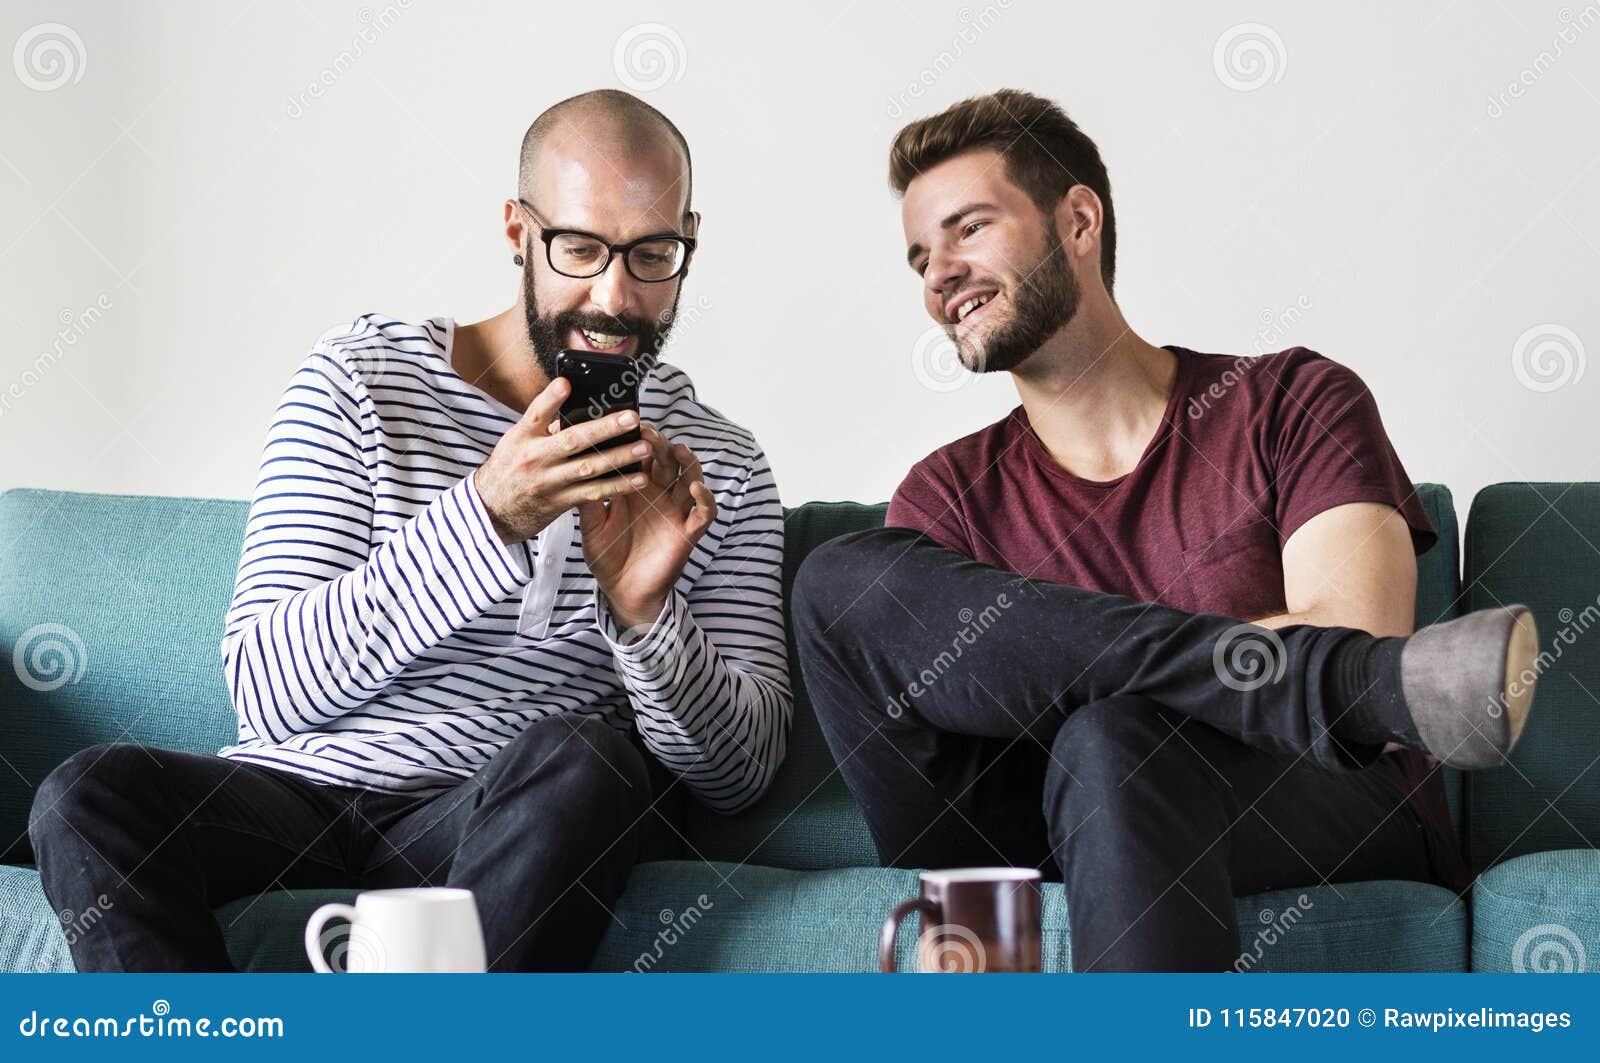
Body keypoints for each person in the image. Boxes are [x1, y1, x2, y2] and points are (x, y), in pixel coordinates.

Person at [29, 89, 789, 973]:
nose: (615, 297)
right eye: (580, 248)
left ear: (689, 240)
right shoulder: (359, 382)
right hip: (298, 797)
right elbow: (267, 691)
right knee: (88, 794)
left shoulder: (719, 465)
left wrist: (647, 620)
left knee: (588, 759)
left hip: (502, 812)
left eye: (654, 253)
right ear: (517, 232)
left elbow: (741, 772)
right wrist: (486, 516)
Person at [793, 89, 1538, 972]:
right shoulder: (947, 496)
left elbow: (1361, 636)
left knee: (1112, 743)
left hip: (1312, 800)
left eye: (968, 229)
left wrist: (1071, 688)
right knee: (837, 585)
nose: (937, 276)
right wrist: (1288, 661)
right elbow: (948, 764)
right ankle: (1327, 684)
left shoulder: (1291, 401)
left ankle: (1312, 686)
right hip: (1031, 828)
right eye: (919, 257)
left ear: (1077, 220)